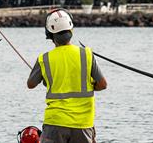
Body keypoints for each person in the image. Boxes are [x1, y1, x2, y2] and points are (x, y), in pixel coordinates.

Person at [27, 9, 107, 143]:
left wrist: (46, 79)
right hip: (83, 124)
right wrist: (90, 85)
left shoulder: (44, 59)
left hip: (55, 123)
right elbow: (103, 85)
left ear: (49, 34)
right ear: (71, 30)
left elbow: (31, 84)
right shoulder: (86, 54)